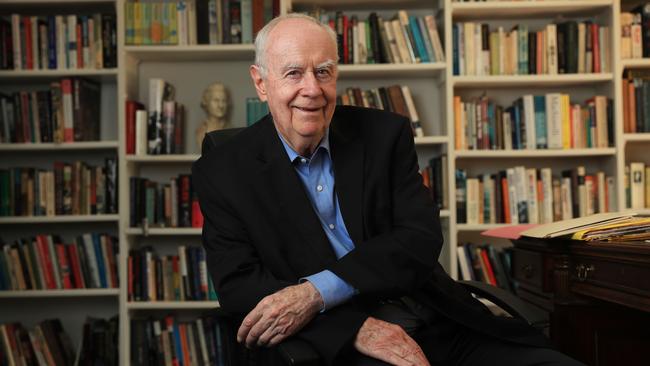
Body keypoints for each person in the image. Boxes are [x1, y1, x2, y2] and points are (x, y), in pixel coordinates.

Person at [192, 13, 584, 366]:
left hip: (437, 319)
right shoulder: (224, 169)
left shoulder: (384, 135)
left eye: (324, 72)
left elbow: (419, 238)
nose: (312, 89)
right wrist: (356, 328)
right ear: (261, 83)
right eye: (293, 73)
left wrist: (316, 292)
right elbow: (240, 287)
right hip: (337, 345)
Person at [196, 82, 230, 148]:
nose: (221, 105)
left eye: (224, 101)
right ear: (206, 102)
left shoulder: (230, 130)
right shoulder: (201, 131)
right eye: (216, 100)